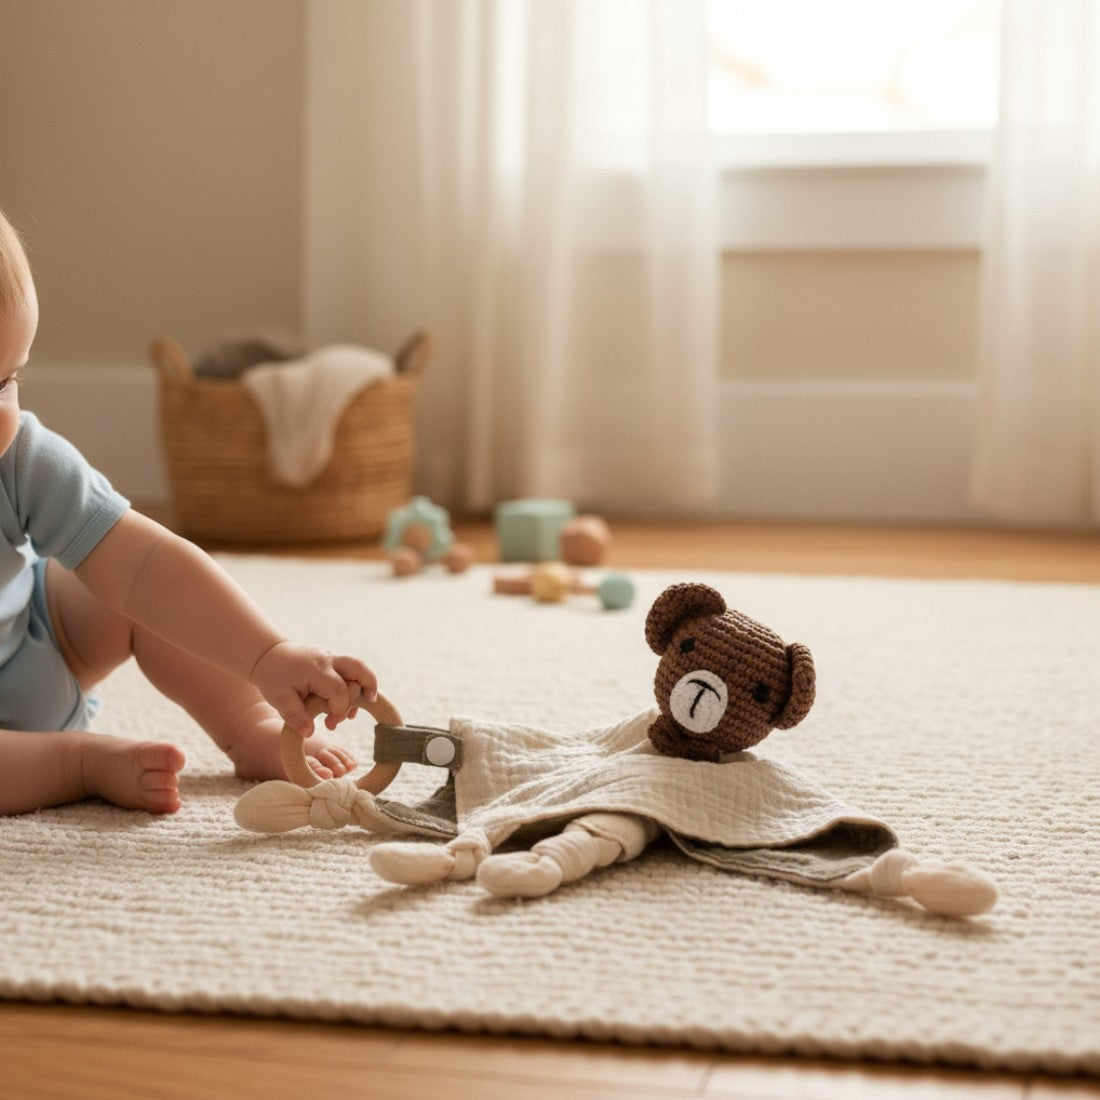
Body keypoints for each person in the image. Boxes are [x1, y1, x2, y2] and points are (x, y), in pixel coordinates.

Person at [0, 207, 374, 816]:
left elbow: (145, 562)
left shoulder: (18, 458)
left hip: (40, 640)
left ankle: (246, 723)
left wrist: (267, 657)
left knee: (132, 588)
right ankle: (79, 761)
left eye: (6, 381)